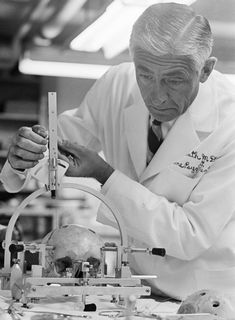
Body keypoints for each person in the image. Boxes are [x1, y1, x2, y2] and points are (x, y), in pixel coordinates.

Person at [1, 2, 235, 300]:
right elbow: (57, 150)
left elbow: (190, 234)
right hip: (138, 286)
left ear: (205, 70)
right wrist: (24, 158)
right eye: (145, 75)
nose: (157, 96)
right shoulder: (118, 84)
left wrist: (104, 174)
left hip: (204, 292)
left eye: (174, 80)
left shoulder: (230, 124)